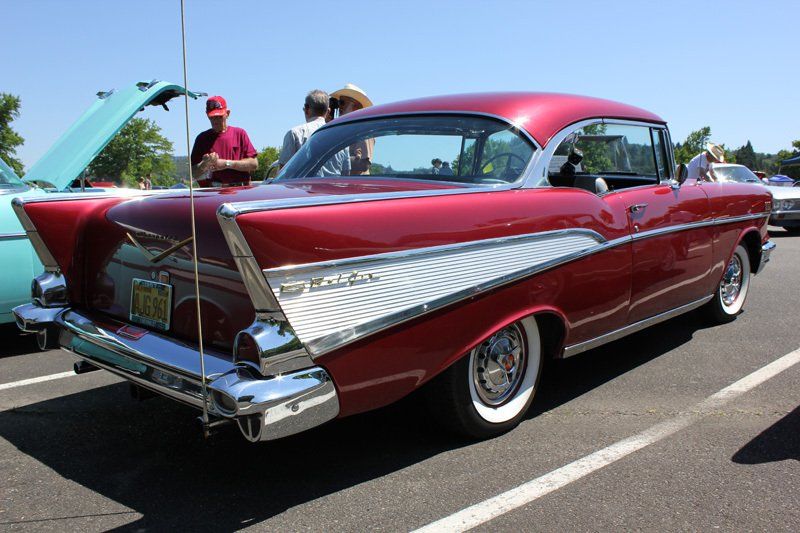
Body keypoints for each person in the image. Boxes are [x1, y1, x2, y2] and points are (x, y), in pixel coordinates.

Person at [190, 96, 258, 187]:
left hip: (241, 191)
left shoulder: (240, 133)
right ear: (207, 115)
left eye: (219, 116)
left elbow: (254, 164)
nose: (215, 120)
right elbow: (194, 174)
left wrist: (226, 164)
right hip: (214, 194)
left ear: (227, 113)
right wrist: (204, 164)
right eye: (212, 117)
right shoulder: (202, 139)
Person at [276, 90, 329, 171]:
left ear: (307, 109)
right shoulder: (341, 137)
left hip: (304, 184)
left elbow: (283, 172)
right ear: (328, 111)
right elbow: (345, 173)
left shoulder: (294, 134)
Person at [330, 83, 374, 175]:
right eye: (338, 104)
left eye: (342, 103)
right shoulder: (342, 130)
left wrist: (335, 159)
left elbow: (363, 164)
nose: (339, 107)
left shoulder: (364, 129)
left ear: (356, 107)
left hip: (357, 185)